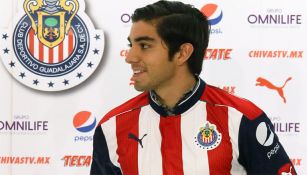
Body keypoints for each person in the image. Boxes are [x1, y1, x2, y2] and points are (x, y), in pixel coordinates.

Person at [90, 1, 296, 174]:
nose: (130, 57)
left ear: (182, 53)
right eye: (130, 45)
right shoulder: (111, 127)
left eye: (144, 46)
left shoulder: (242, 118)